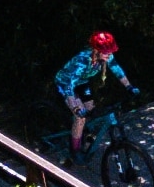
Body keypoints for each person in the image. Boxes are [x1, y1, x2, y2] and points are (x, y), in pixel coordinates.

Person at [55, 31, 139, 163]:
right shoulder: (82, 61)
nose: (109, 56)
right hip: (66, 84)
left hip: (82, 83)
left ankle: (83, 136)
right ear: (96, 50)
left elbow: (116, 69)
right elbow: (69, 86)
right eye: (106, 53)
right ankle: (75, 150)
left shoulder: (106, 56)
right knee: (80, 117)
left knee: (92, 111)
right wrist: (76, 108)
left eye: (110, 52)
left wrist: (129, 87)